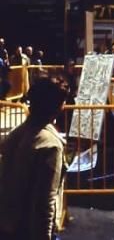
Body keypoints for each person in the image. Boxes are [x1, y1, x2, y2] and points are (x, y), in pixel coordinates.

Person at [0, 75, 69, 240]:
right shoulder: (50, 145)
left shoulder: (16, 133)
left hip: (7, 222)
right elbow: (45, 201)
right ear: (58, 106)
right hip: (28, 229)